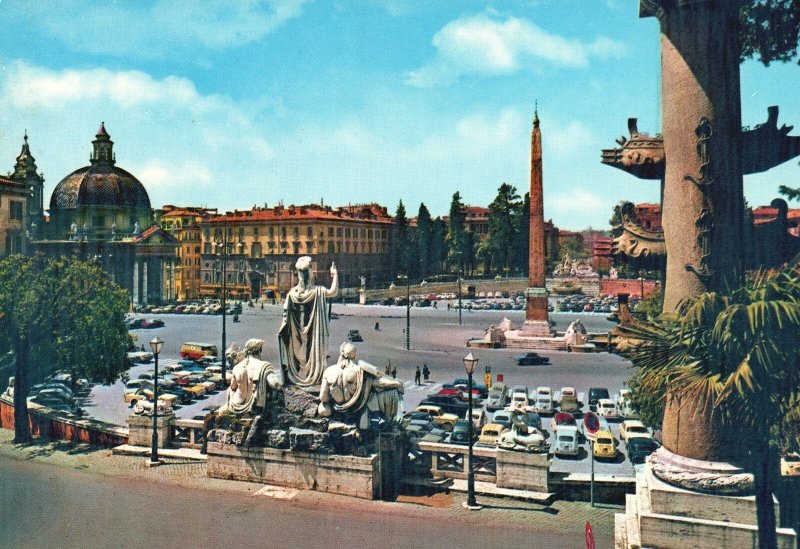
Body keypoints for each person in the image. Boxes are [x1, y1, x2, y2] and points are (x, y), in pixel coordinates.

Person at [278, 256, 338, 389]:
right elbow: (333, 292)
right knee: (311, 350)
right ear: (310, 273)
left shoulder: (292, 294)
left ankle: (299, 374)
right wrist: (334, 275)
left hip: (296, 333)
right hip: (313, 332)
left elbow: (285, 318)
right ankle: (311, 375)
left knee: (299, 353)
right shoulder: (317, 291)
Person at [317, 342, 404, 429]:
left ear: (341, 353)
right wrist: (396, 383)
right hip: (355, 408)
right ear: (354, 356)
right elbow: (377, 383)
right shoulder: (359, 371)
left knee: (324, 409)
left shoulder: (328, 371)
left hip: (336, 408)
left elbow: (323, 397)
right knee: (374, 396)